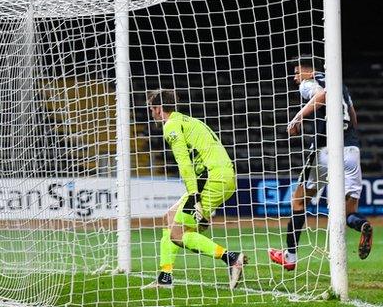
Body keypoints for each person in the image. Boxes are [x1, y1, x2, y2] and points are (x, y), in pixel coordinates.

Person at [268, 55, 373, 271]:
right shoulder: (340, 84)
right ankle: (362, 224)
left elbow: (322, 95)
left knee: (298, 202)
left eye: (297, 72)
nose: (295, 77)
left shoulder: (309, 83)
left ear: (309, 71)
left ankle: (290, 256)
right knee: (346, 213)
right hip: (351, 150)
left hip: (326, 150)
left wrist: (297, 117)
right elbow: (353, 116)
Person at [143, 90, 246, 290]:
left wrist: (195, 196)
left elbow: (184, 164)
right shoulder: (190, 121)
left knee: (178, 234)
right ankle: (165, 277)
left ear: (158, 108)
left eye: (151, 109)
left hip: (211, 179)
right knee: (171, 216)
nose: (151, 113)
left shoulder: (171, 125)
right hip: (221, 176)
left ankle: (233, 259)